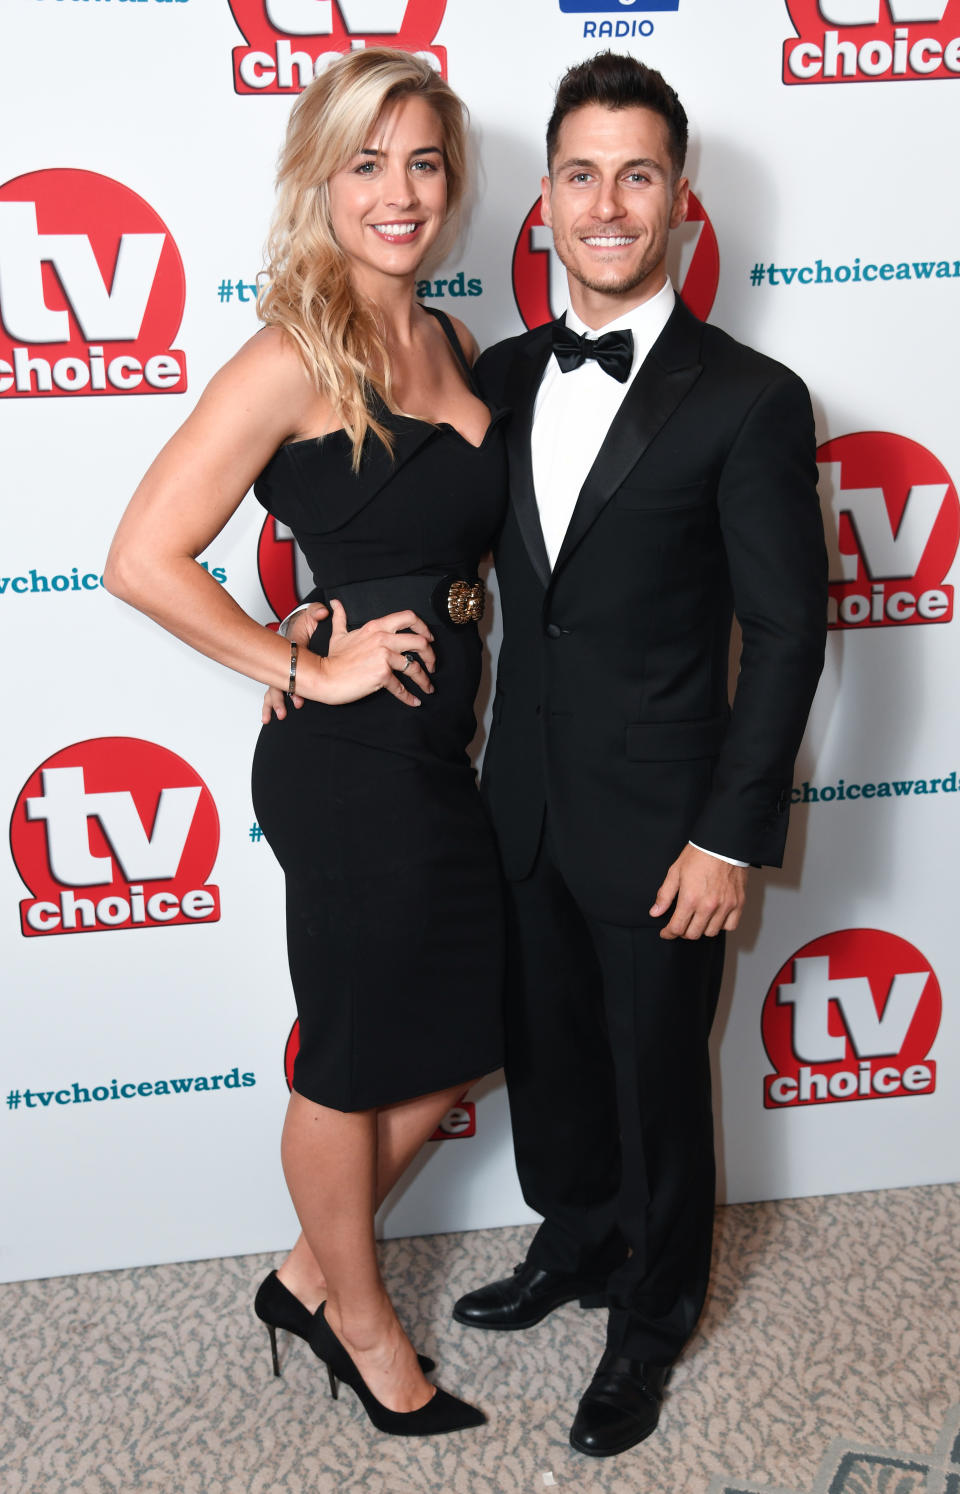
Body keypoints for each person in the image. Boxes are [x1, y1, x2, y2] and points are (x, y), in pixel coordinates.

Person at [104, 48, 508, 1438]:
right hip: (345, 768)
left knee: (474, 1019)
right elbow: (142, 555)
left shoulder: (452, 345)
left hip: (437, 750)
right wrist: (300, 662)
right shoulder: (294, 348)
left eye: (424, 162)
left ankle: (304, 1269)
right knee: (347, 1053)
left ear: (452, 184)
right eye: (366, 162)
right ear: (320, 181)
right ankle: (364, 1319)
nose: (399, 194)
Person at [447, 52, 829, 1458]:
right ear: (543, 199)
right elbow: (430, 549)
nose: (608, 203)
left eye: (639, 174)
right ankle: (580, 1240)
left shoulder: (748, 398)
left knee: (660, 1077)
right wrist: (312, 623)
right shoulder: (494, 372)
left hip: (671, 824)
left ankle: (654, 1316)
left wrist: (731, 836)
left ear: (681, 198)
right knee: (552, 1060)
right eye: (581, 173)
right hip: (523, 802)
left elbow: (789, 634)